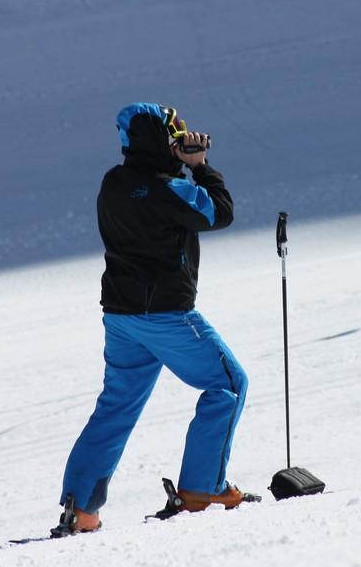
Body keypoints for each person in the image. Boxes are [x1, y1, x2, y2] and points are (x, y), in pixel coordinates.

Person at [54, 103, 251, 535]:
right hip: (165, 315)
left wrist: (174, 164)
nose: (181, 138)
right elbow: (219, 212)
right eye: (174, 132)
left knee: (116, 407)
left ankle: (80, 508)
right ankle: (202, 487)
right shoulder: (167, 189)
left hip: (121, 317)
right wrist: (199, 166)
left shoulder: (113, 183)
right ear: (159, 140)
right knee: (228, 385)